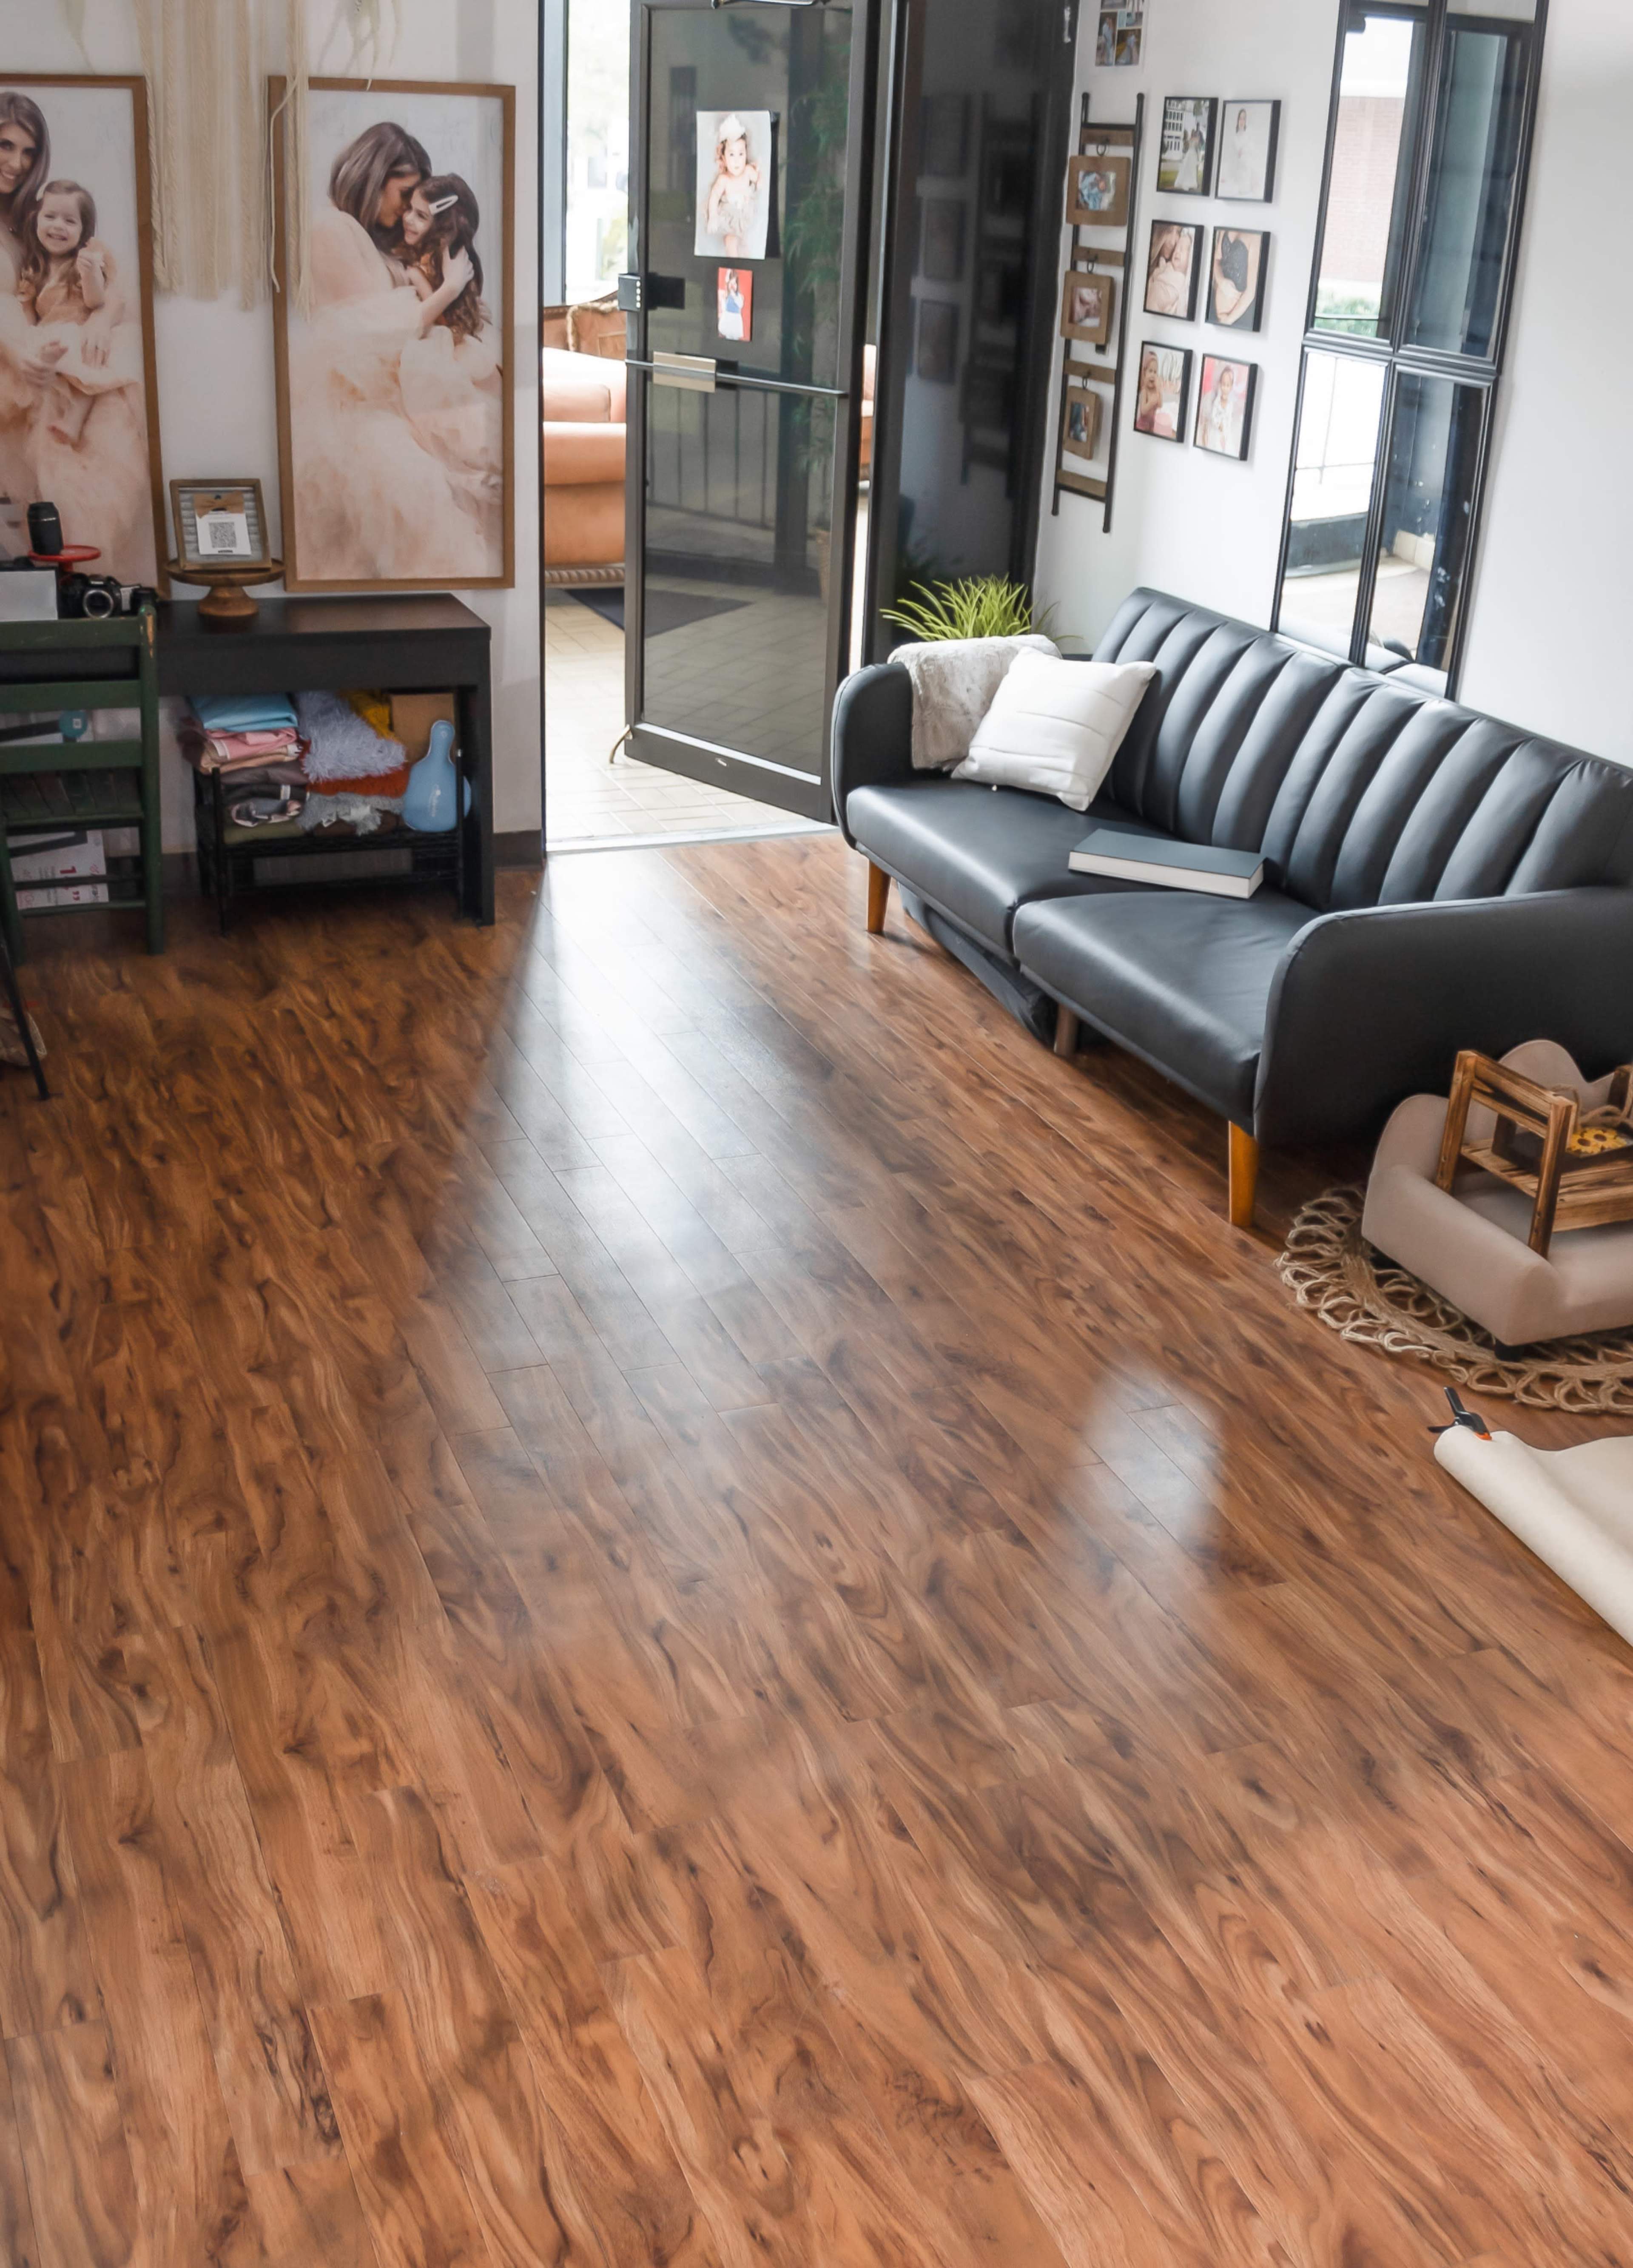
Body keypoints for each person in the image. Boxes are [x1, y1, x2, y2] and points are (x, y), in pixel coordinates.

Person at [291, 122, 501, 582]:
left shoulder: (374, 240)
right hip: (354, 412)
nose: (408, 211)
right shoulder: (331, 229)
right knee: (423, 510)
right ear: (374, 176)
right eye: (405, 195)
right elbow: (371, 337)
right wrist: (446, 292)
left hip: (392, 401)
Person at [17, 180, 123, 445]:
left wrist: (89, 274)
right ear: (37, 220)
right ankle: (48, 361)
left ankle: (73, 422)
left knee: (95, 364)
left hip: (80, 331)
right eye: (50, 217)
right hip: (49, 335)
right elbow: (28, 315)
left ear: (83, 229)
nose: (58, 226)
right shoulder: (32, 268)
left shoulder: (86, 259)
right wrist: (28, 340)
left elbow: (96, 301)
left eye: (69, 221)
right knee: (42, 345)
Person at [704, 113, 762, 257]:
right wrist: (713, 216)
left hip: (745, 218)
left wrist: (760, 180)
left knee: (745, 247)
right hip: (729, 220)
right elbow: (714, 196)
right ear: (723, 157)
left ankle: (742, 268)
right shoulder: (724, 179)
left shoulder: (748, 172)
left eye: (741, 154)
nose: (737, 161)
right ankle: (732, 265)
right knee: (731, 241)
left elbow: (759, 181)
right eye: (731, 155)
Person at [1144, 224, 1193, 318]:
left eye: (1178, 232)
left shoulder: (1182, 278)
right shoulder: (1165, 265)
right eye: (1170, 231)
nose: (1174, 242)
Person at [1198, 361, 1240, 454]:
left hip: (1225, 429)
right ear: (1220, 384)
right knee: (1216, 443)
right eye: (1223, 385)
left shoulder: (1230, 404)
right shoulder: (1217, 401)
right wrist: (1218, 424)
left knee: (1227, 445)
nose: (1225, 388)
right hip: (1216, 428)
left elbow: (1229, 418)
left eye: (1228, 386)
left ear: (1231, 387)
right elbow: (1214, 416)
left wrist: (1226, 429)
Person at [718, 267, 745, 342]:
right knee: (728, 337)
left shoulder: (739, 296)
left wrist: (734, 296)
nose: (733, 286)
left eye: (735, 283)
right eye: (731, 283)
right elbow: (724, 308)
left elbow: (741, 305)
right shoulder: (726, 296)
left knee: (735, 337)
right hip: (728, 318)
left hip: (736, 319)